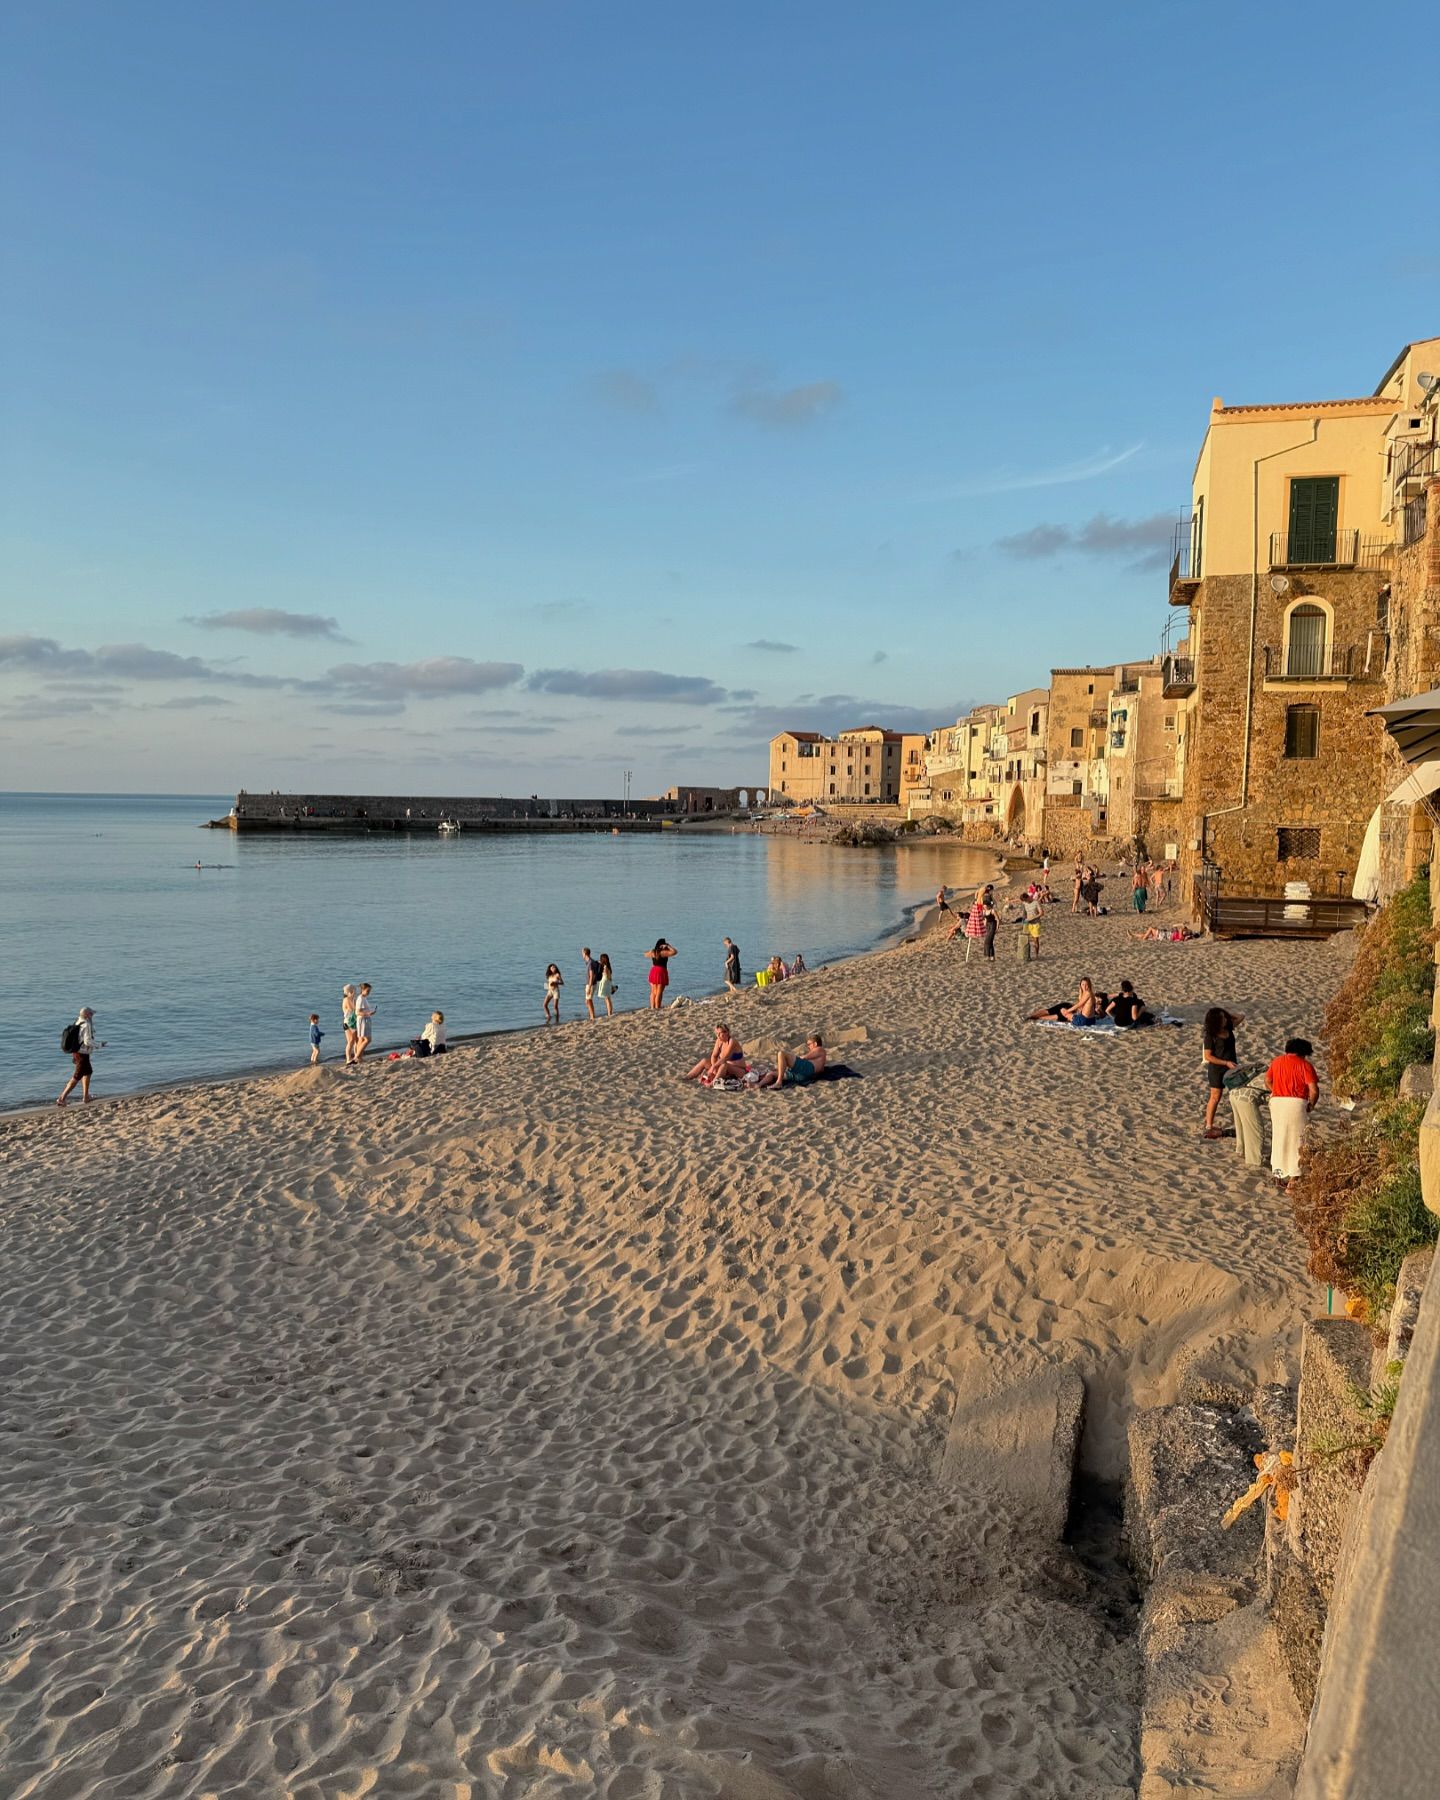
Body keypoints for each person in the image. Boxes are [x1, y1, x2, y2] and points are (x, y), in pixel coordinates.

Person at [1266, 1037, 1320, 1184]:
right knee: (1297, 1140)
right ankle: (1293, 1179)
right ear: (1304, 1053)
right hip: (1296, 1103)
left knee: (1279, 1137)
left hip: (1277, 1102)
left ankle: (1278, 1174)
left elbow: (1268, 1080)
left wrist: (1276, 1091)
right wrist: (1311, 1104)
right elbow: (1314, 1090)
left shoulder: (1276, 1061)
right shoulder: (1305, 1065)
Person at [1202, 1006, 1244, 1136]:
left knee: (1237, 1094)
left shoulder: (1229, 1028)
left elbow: (1241, 1016)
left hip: (1232, 1068)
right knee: (1215, 1097)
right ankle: (1209, 1126)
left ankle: (1241, 1123)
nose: (1225, 1019)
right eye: (1222, 1018)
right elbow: (1208, 1056)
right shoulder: (1210, 1036)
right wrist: (1225, 1063)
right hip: (1217, 1069)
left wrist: (1226, 1014)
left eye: (1225, 1017)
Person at [57, 1006, 102, 1106]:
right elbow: (87, 1041)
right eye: (91, 1014)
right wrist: (99, 1045)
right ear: (87, 1015)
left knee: (88, 1072)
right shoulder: (86, 1024)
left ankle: (86, 1096)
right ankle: (61, 1098)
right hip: (82, 1053)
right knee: (77, 1076)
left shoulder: (78, 1021)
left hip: (77, 1052)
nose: (92, 1015)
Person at [683, 1024, 747, 1085]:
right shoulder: (719, 1041)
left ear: (727, 1032)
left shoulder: (732, 1041)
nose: (718, 1036)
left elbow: (724, 1058)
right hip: (723, 1069)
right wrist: (714, 1068)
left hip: (738, 1070)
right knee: (704, 1061)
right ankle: (687, 1077)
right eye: (716, 1033)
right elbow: (714, 1056)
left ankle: (712, 1083)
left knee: (724, 1065)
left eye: (720, 1033)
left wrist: (713, 1067)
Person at [757, 1033, 827, 1088]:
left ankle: (779, 1082)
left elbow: (804, 1058)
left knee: (781, 1054)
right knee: (771, 1073)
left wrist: (793, 1060)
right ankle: (758, 1085)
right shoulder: (819, 1057)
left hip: (807, 1069)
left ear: (815, 1044)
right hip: (801, 1076)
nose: (808, 1046)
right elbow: (820, 1069)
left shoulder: (820, 1049)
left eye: (809, 1044)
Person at [647, 939, 676, 1010]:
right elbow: (674, 952)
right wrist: (668, 946)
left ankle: (652, 1007)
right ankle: (657, 1007)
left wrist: (652, 950)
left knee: (653, 991)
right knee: (659, 991)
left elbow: (645, 954)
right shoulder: (663, 953)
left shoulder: (653, 952)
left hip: (653, 970)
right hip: (661, 971)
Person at [354, 983, 376, 1063]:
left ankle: (359, 1057)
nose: (369, 992)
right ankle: (357, 1057)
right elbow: (357, 1012)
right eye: (367, 991)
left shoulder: (363, 998)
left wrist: (369, 1013)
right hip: (362, 1020)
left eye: (369, 991)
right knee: (368, 1039)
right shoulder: (360, 998)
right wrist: (368, 1013)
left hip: (365, 1019)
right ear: (362, 990)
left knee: (361, 1039)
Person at [581, 947, 602, 1021]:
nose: (582, 955)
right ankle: (591, 1015)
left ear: (585, 953)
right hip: (592, 983)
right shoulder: (590, 962)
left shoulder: (590, 963)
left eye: (582, 953)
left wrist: (589, 987)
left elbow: (591, 975)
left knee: (589, 1000)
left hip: (591, 984)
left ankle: (592, 1016)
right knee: (587, 1001)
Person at [342, 983, 358, 1064]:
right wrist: (353, 998)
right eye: (353, 991)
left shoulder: (352, 999)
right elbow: (353, 1009)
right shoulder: (347, 999)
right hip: (349, 1023)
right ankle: (349, 1058)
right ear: (350, 991)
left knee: (354, 1041)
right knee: (352, 1041)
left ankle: (355, 1057)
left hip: (351, 1022)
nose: (355, 992)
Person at [596, 952, 616, 1017]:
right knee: (607, 999)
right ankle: (609, 1012)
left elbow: (609, 978)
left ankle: (609, 1013)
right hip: (607, 983)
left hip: (606, 984)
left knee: (607, 999)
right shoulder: (607, 966)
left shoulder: (605, 968)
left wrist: (604, 973)